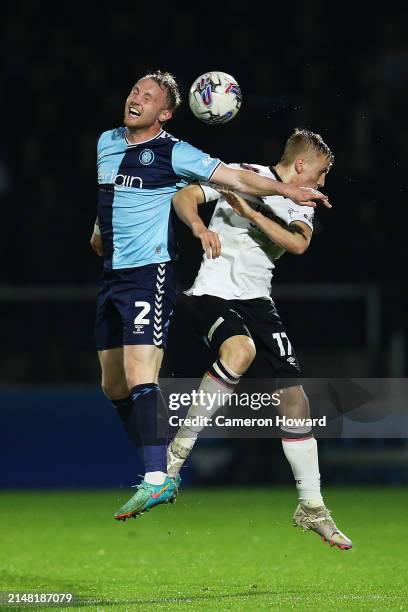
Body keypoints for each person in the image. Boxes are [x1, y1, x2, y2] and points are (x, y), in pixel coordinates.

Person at [89, 71, 330, 522]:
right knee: (113, 384)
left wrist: (282, 192)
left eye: (149, 95)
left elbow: (234, 179)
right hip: (114, 276)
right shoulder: (105, 142)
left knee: (146, 373)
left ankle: (161, 474)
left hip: (152, 273)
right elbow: (114, 194)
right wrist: (101, 228)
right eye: (134, 90)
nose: (136, 97)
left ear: (165, 113)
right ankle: (161, 468)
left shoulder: (177, 151)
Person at [167, 128, 352, 549]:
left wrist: (250, 214)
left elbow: (297, 245)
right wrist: (198, 226)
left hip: (257, 301)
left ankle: (311, 506)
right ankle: (174, 459)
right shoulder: (244, 174)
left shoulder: (299, 202)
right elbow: (184, 197)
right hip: (210, 294)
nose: (321, 184)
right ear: (301, 165)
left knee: (295, 398)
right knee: (240, 350)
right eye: (321, 173)